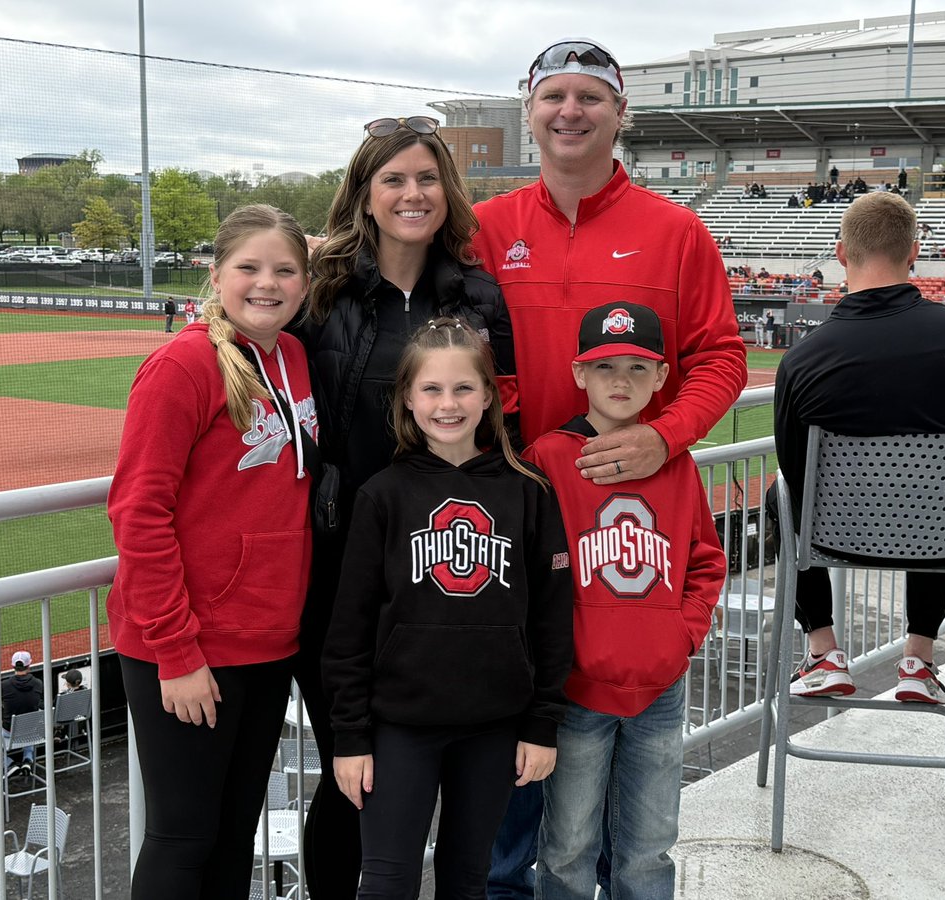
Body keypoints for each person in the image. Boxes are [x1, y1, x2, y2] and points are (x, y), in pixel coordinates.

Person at [471, 37, 746, 899]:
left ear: (621, 113)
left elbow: (721, 356)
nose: (571, 111)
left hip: (624, 529)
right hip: (517, 512)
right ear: (530, 111)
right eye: (554, 96)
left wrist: (666, 436)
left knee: (617, 812)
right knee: (514, 752)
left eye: (590, 96)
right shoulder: (487, 229)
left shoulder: (676, 231)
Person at [296, 115, 514, 899]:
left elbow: (504, 425)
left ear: (445, 191)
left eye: (426, 178)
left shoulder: (479, 294)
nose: (411, 193)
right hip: (340, 570)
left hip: (450, 568)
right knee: (350, 771)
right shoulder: (320, 289)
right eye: (393, 179)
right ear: (365, 193)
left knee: (443, 781)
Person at [323, 318, 573, 899]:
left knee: (467, 879)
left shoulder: (528, 491)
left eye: (463, 388)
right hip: (399, 727)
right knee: (386, 882)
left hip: (494, 725)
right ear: (408, 399)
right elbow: (350, 627)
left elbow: (552, 618)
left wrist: (542, 723)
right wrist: (350, 736)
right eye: (431, 389)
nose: (448, 404)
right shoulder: (382, 495)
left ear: (489, 396)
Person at [108, 204, 316, 899]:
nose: (268, 283)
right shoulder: (182, 365)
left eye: (285, 270)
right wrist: (176, 650)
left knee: (234, 832)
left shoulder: (292, 357)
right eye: (249, 267)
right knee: (184, 836)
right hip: (189, 644)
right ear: (217, 274)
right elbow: (139, 512)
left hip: (268, 638)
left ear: (305, 282)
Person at [525, 303, 724, 899]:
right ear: (578, 373)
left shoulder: (675, 461)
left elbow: (706, 561)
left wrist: (679, 636)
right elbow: (528, 571)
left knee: (650, 847)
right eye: (605, 366)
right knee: (567, 847)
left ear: (662, 377)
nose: (621, 380)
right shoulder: (549, 457)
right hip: (577, 689)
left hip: (660, 687)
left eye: (638, 367)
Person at [771, 192, 945, 705]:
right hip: (941, 540)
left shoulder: (804, 358)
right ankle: (919, 660)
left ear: (840, 253)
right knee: (941, 487)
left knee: (779, 495)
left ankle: (824, 652)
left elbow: (794, 467)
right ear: (913, 252)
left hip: (836, 538)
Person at [0, 650, 43, 778]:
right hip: (31, 730)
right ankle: (27, 760)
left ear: (13, 666)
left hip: (9, 731)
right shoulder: (38, 683)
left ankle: (9, 764)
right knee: (28, 724)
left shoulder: (4, 686)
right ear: (29, 665)